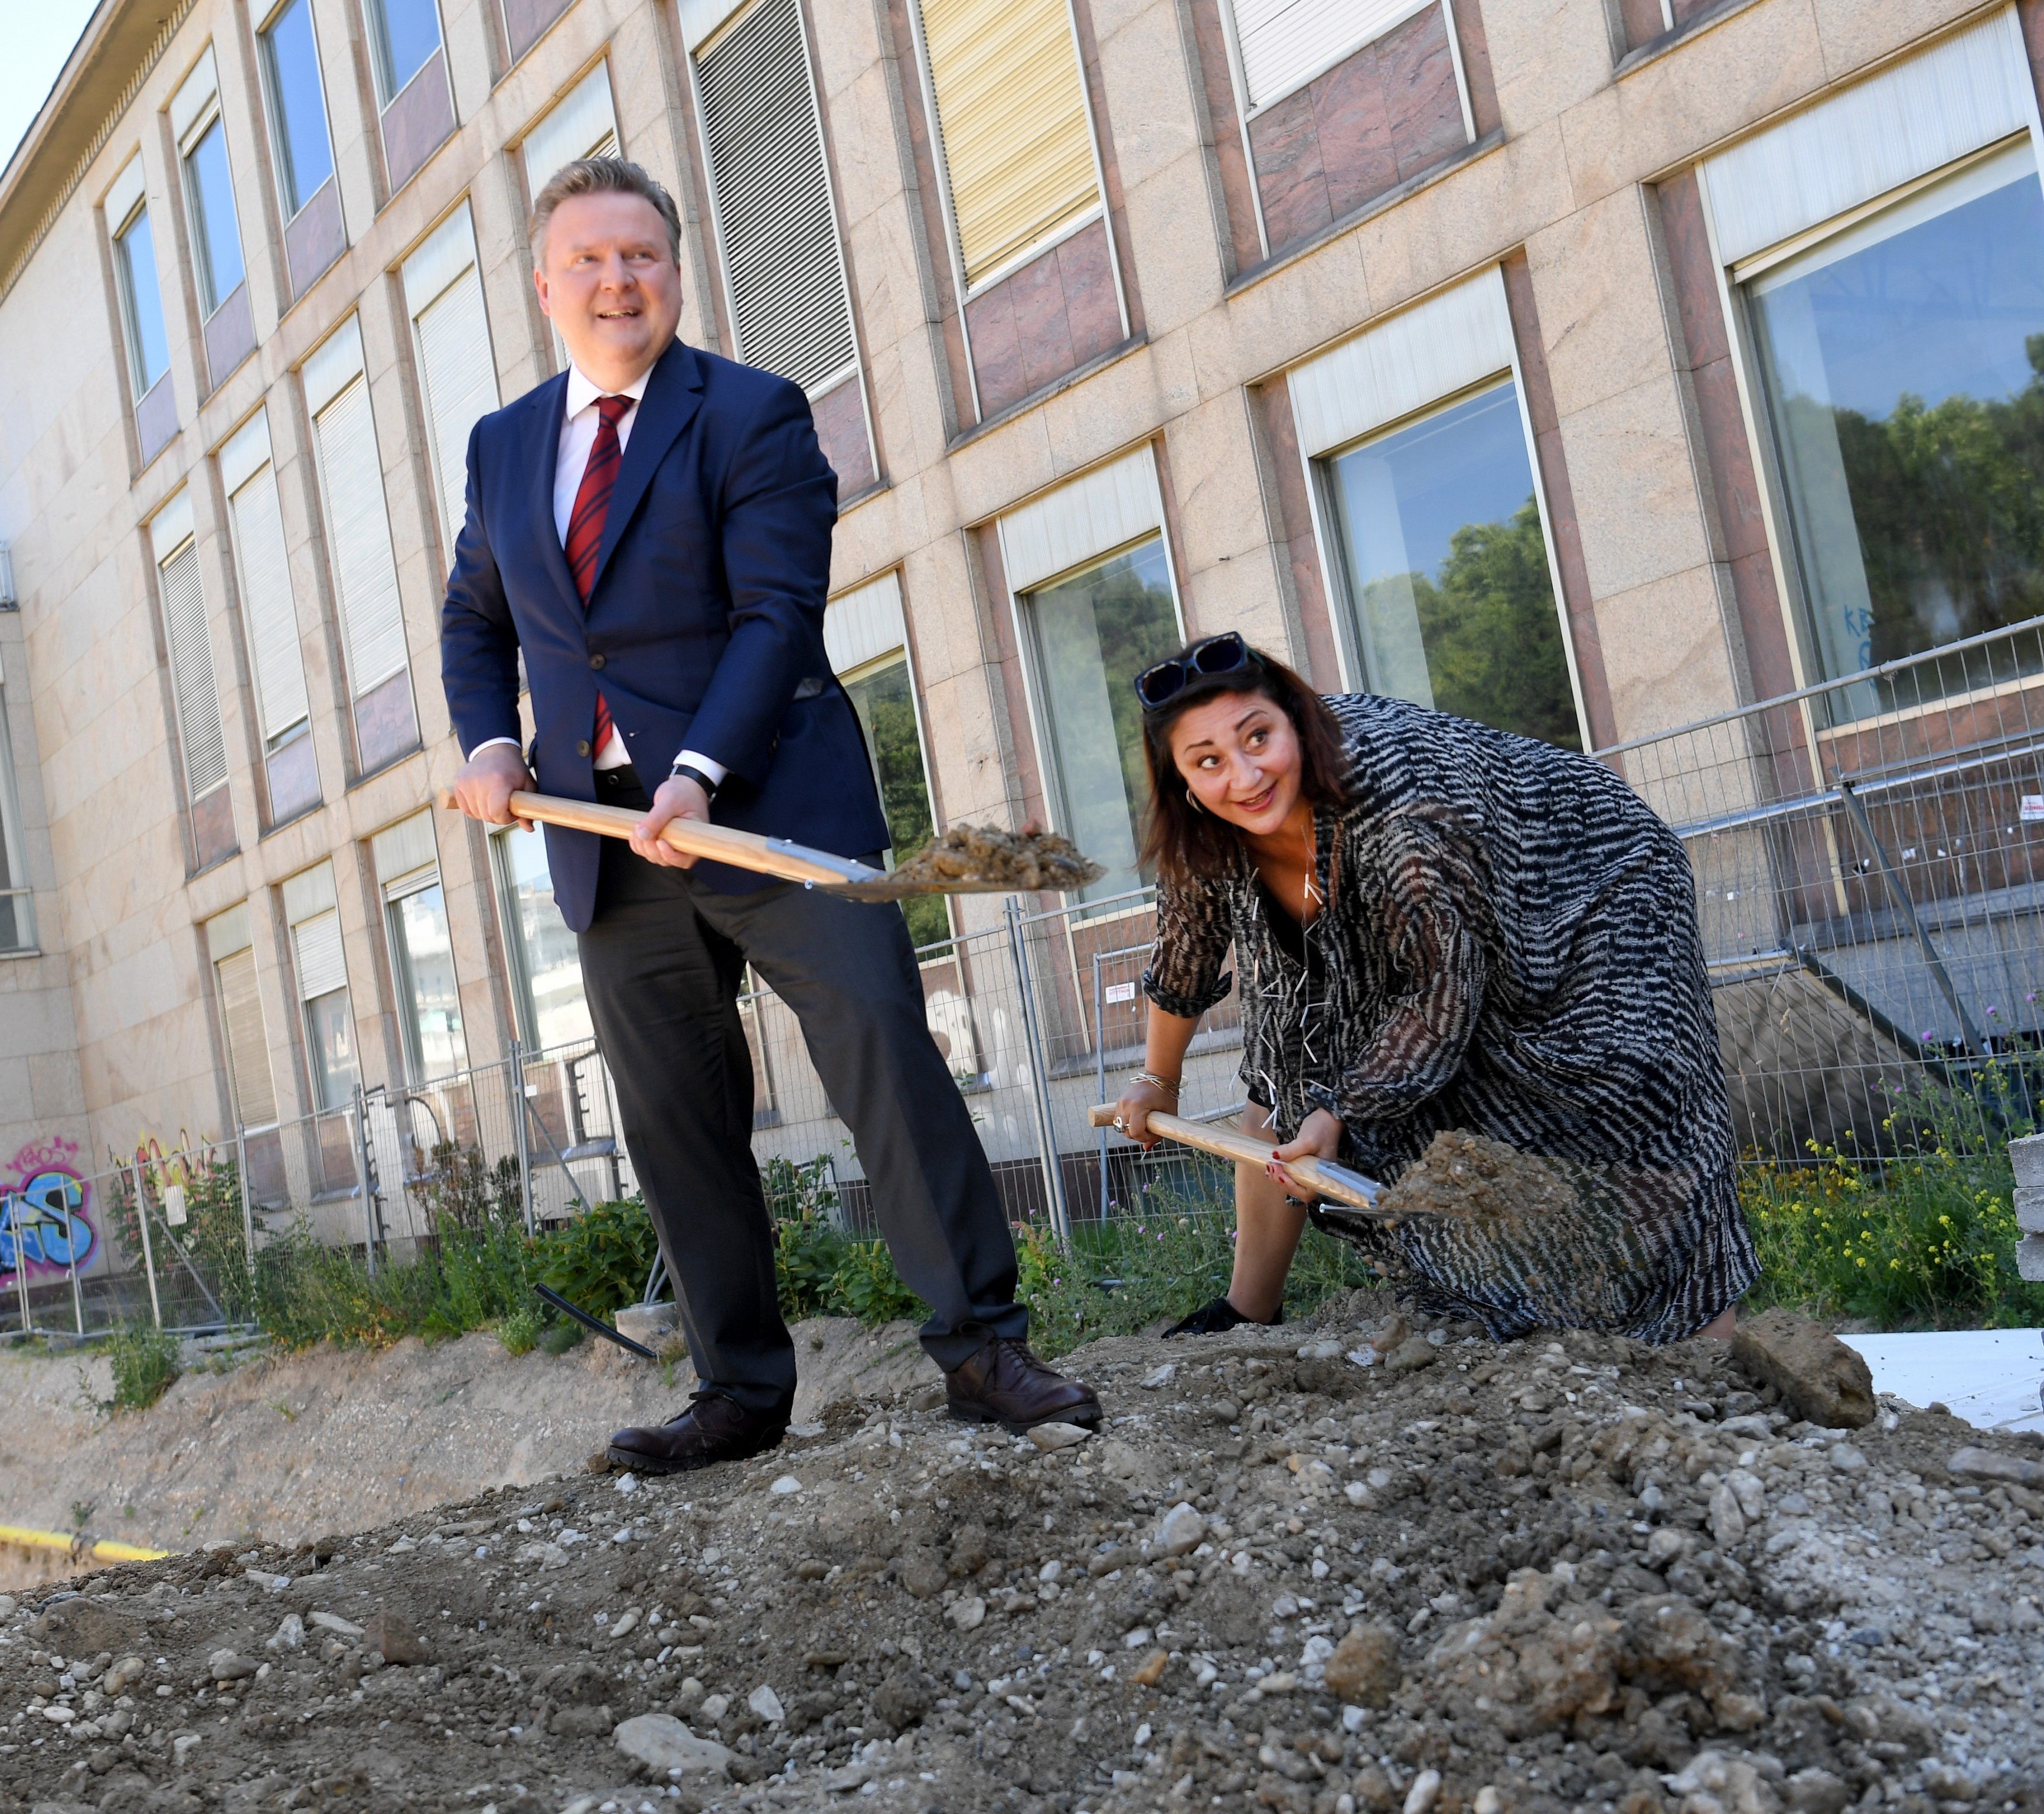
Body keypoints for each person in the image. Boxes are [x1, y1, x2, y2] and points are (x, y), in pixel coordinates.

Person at [440, 157, 1099, 1471]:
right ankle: (739, 1391)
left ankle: (979, 1347)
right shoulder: (503, 443)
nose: (617, 279)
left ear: (673, 274)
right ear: (544, 283)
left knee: (881, 1057)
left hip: (774, 806)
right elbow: (476, 617)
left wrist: (696, 773)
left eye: (641, 255)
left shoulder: (751, 412)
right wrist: (493, 741)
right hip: (605, 844)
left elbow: (774, 616)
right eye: (589, 258)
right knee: (674, 1117)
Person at [1110, 632, 1758, 1343]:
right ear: (1180, 780)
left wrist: (1341, 1112)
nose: (1243, 776)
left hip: (1589, 877)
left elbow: (1443, 995)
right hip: (1423, 911)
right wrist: (1155, 1082)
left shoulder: (1398, 804)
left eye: (1257, 737)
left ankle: (1708, 1345)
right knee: (1286, 1048)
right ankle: (1247, 1309)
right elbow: (1185, 953)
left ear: (1294, 717)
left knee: (1633, 1092)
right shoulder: (1206, 829)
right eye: (1207, 762)